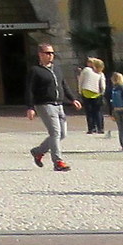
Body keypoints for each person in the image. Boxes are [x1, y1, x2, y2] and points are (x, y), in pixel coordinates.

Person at [24, 41, 78, 173]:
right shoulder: (35, 71)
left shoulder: (57, 68)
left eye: (52, 53)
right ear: (40, 55)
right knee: (55, 132)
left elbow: (63, 84)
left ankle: (38, 151)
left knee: (62, 134)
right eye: (47, 53)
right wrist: (30, 107)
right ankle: (58, 161)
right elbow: (29, 89)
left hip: (58, 104)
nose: (50, 55)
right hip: (44, 104)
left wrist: (73, 99)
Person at [76, 56, 107, 135]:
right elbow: (103, 85)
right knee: (98, 112)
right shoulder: (100, 73)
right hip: (97, 93)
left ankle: (91, 128)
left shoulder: (86, 70)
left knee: (89, 112)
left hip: (86, 92)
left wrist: (80, 90)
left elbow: (81, 80)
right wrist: (102, 92)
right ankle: (100, 128)